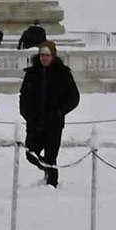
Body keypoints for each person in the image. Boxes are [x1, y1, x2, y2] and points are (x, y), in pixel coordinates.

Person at [19, 38, 81, 188]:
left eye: (47, 55)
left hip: (54, 123)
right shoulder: (32, 73)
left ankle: (52, 184)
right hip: (35, 122)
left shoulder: (63, 74)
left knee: (51, 156)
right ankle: (46, 168)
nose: (44, 58)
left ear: (53, 56)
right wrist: (27, 114)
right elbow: (24, 97)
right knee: (31, 153)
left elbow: (74, 97)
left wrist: (60, 112)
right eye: (42, 55)